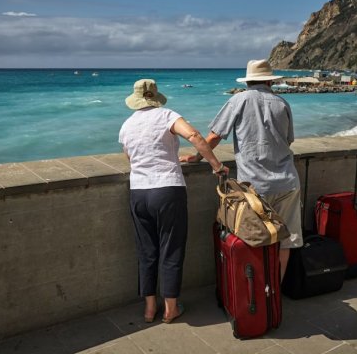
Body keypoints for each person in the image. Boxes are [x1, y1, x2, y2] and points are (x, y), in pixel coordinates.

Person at [180, 59, 303, 280]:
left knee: (254, 239)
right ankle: (275, 291)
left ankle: (256, 293)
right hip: (287, 181)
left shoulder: (239, 100)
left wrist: (198, 156)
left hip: (254, 186)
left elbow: (215, 135)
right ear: (269, 81)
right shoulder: (282, 103)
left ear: (248, 81)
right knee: (286, 240)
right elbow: (288, 141)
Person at [119, 78, 228, 324]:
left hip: (139, 191)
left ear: (135, 99)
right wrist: (216, 165)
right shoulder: (167, 115)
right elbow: (195, 135)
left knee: (146, 251)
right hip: (167, 189)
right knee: (171, 248)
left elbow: (131, 157)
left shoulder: (127, 125)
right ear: (156, 97)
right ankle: (170, 308)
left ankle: (149, 308)